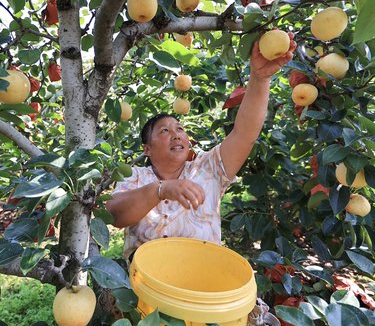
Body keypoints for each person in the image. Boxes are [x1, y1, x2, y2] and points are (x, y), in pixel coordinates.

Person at [108, 36, 297, 259]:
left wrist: (260, 77)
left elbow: (244, 133)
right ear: (147, 149)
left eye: (179, 129)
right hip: (149, 286)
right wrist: (161, 189)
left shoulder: (209, 168)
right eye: (164, 131)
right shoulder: (135, 177)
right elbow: (114, 216)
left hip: (203, 282)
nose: (176, 135)